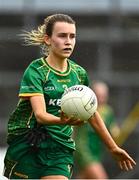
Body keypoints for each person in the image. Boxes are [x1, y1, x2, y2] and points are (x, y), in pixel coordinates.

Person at [3, 14, 136, 179]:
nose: (68, 41)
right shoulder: (36, 70)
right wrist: (63, 120)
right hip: (29, 145)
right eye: (62, 36)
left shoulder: (78, 74)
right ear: (48, 39)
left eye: (72, 36)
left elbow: (92, 113)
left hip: (60, 149)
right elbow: (40, 115)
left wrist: (113, 147)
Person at [73, 80, 120, 179]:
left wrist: (116, 135)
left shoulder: (108, 111)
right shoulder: (83, 108)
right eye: (98, 95)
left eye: (104, 96)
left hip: (97, 153)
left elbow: (113, 131)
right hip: (84, 151)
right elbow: (72, 129)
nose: (101, 99)